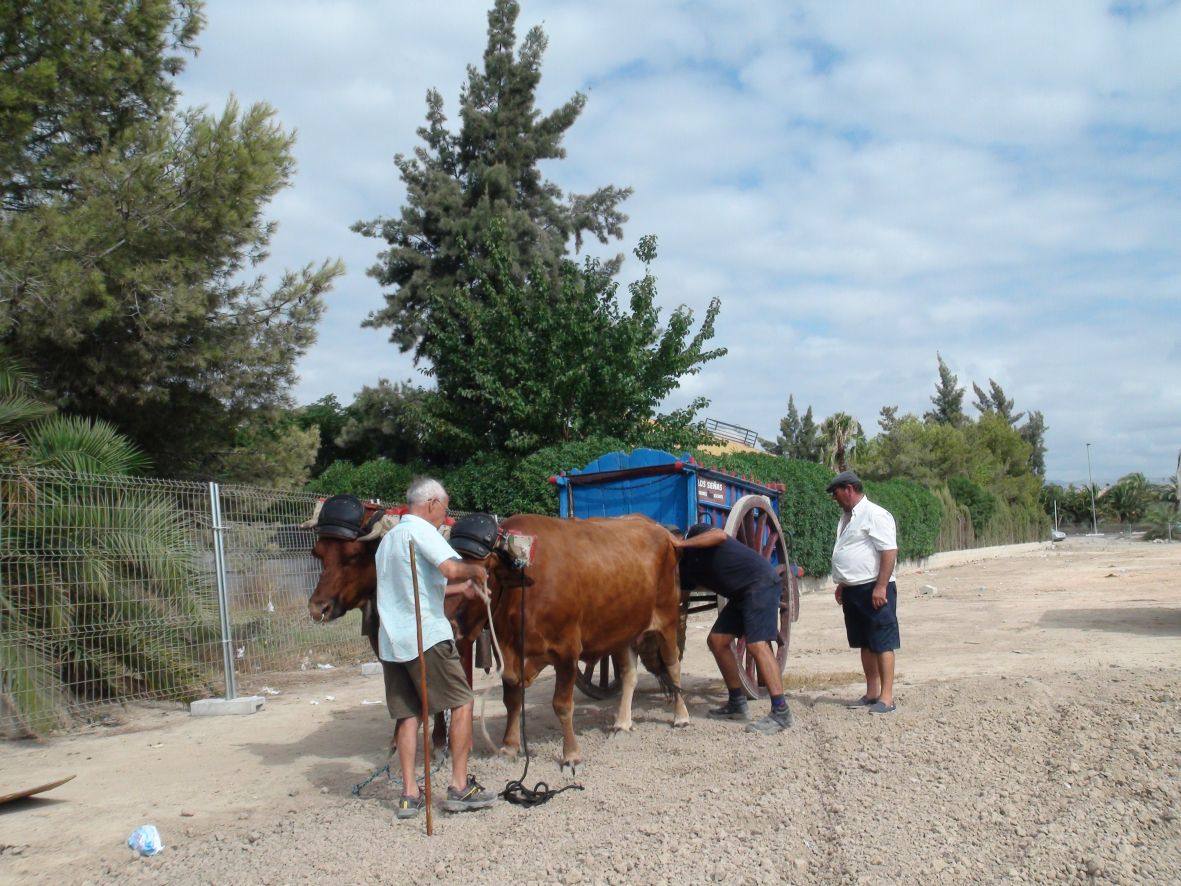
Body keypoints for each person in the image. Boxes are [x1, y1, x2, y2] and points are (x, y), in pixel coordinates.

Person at [375, 477, 497, 818]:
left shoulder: (388, 541)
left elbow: (413, 588)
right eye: (444, 508)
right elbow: (450, 568)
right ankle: (459, 787)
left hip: (393, 641)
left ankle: (409, 794)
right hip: (425, 636)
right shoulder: (422, 531)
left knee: (408, 714)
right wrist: (476, 571)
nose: (445, 515)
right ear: (431, 503)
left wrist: (460, 591)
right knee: (462, 702)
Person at [673, 523, 792, 734]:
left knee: (757, 645)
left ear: (679, 537)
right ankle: (737, 703)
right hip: (740, 595)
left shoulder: (697, 533)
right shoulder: (684, 568)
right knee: (717, 641)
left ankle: (781, 712)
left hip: (760, 584)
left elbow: (719, 535)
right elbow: (679, 599)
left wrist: (682, 544)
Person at [827, 470, 900, 714]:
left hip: (874, 588)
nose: (834, 498)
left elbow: (888, 551)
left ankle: (887, 698)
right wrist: (843, 583)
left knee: (882, 642)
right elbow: (853, 551)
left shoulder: (875, 514)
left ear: (848, 489)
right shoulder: (847, 518)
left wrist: (881, 586)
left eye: (836, 493)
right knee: (865, 643)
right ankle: (871, 693)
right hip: (853, 590)